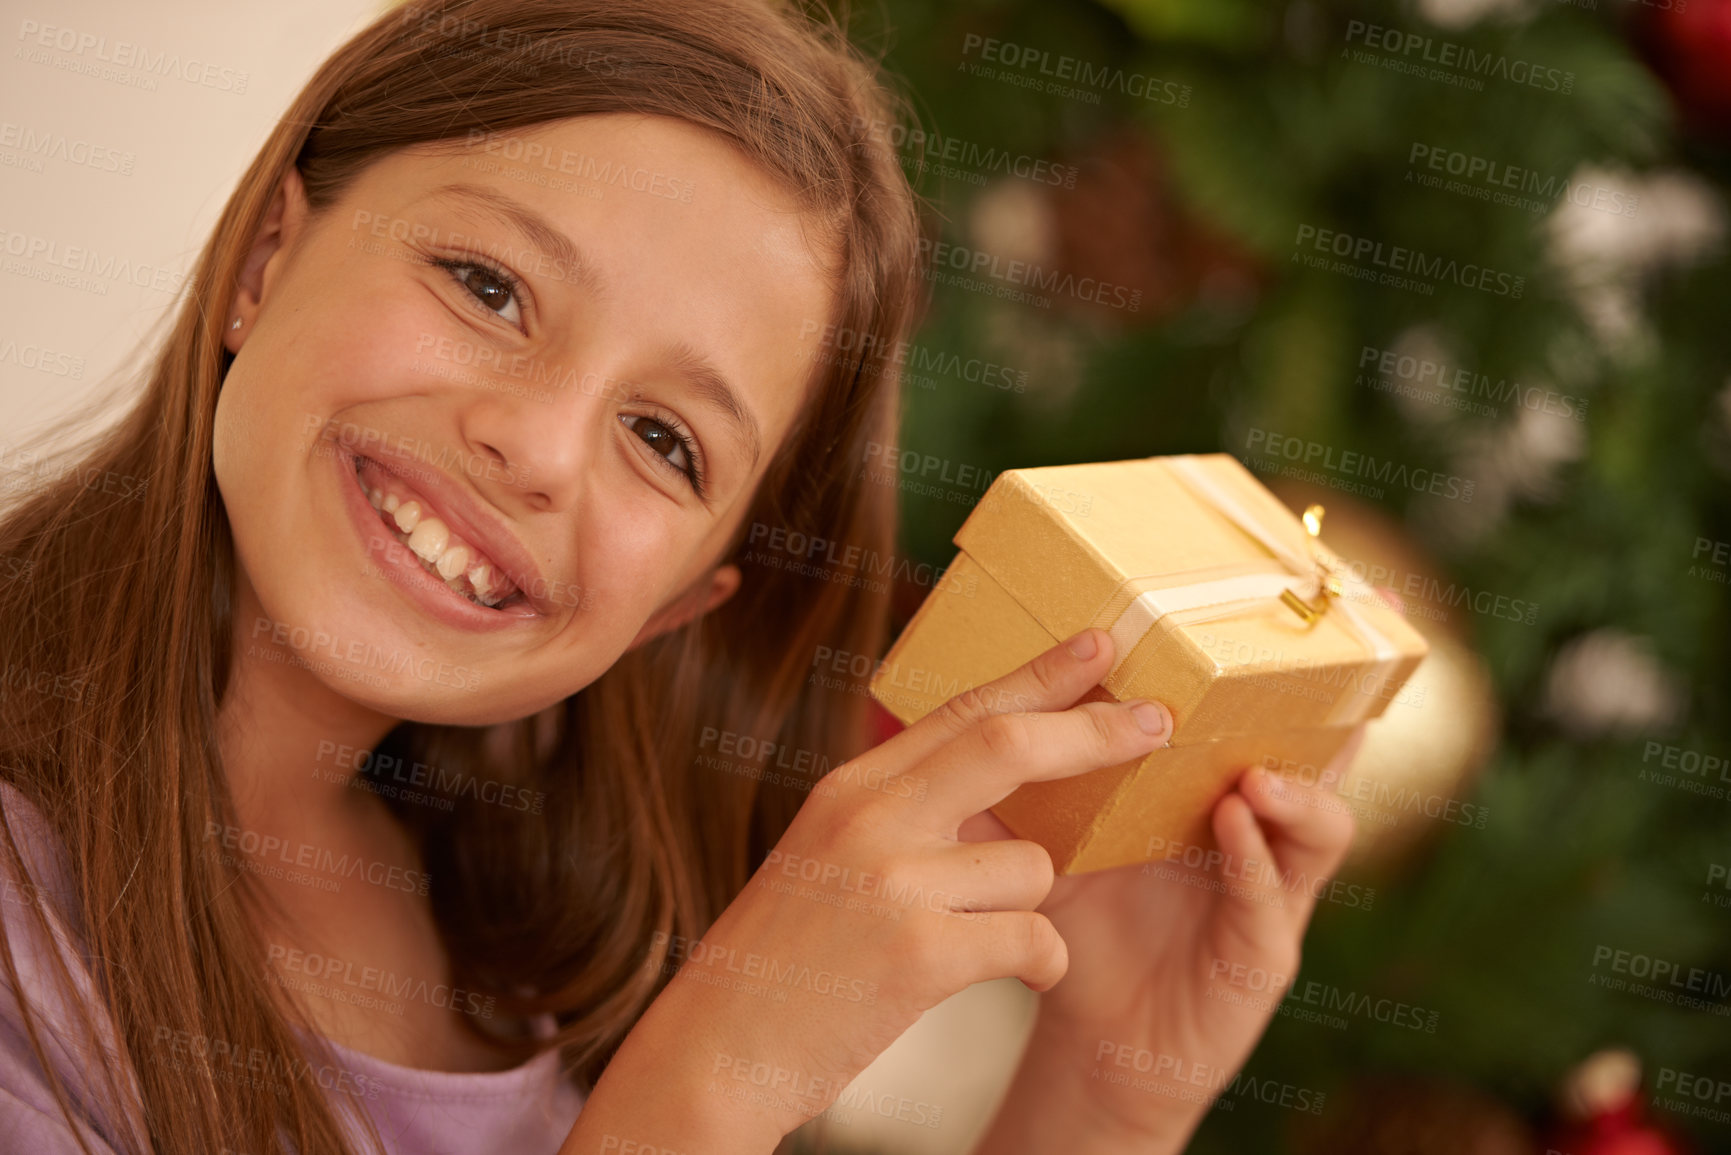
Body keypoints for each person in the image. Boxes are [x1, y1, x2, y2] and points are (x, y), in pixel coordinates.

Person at [0, 1, 1358, 1152]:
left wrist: (1103, 1094)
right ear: (265, 255)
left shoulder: (533, 967)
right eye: (486, 286)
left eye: (663, 442)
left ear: (682, 603)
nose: (537, 447)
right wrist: (705, 1093)